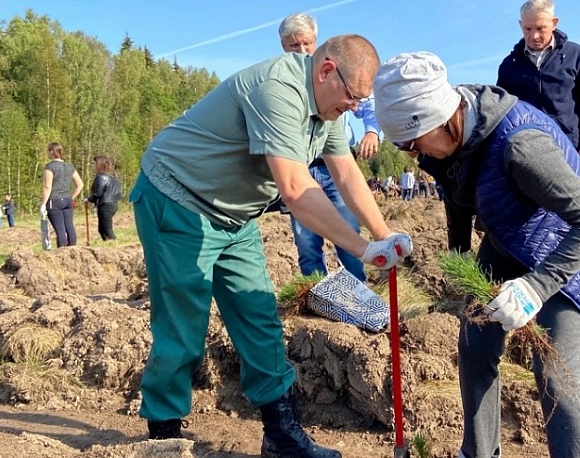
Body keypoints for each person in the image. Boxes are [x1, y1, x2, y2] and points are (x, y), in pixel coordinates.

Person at [128, 34, 411, 458]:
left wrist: (383, 233)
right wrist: (360, 247)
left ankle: (281, 436)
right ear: (327, 70)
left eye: (360, 101)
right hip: (178, 198)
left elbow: (347, 174)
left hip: (234, 215)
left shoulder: (329, 107)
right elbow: (297, 190)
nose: (355, 108)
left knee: (259, 318)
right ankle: (164, 435)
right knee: (183, 321)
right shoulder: (278, 90)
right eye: (353, 97)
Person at [375, 51, 580, 458]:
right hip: (511, 231)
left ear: (437, 117)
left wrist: (536, 286)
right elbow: (457, 200)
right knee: (475, 345)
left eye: (411, 142)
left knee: (556, 369)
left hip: (572, 239)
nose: (412, 155)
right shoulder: (449, 143)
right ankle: (478, 452)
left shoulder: (520, 145)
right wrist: (458, 267)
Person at [278, 13, 382, 282]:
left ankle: (358, 295)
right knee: (306, 243)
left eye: (306, 44)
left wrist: (372, 131)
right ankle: (318, 296)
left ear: (316, 44)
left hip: (336, 168)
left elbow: (367, 106)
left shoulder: (339, 75)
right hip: (300, 169)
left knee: (349, 233)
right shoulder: (283, 86)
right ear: (283, 47)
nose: (301, 51)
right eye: (293, 46)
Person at [497, 0, 580, 169]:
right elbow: (500, 112)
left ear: (554, 23)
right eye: (527, 29)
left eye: (540, 28)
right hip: (525, 154)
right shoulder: (509, 65)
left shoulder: (575, 55)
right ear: (520, 25)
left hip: (569, 150)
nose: (534, 36)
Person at [41, 142, 84, 248]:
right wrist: (71, 197)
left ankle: (61, 254)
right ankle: (73, 251)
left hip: (54, 201)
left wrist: (43, 204)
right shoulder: (69, 166)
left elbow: (48, 186)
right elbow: (80, 184)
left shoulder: (50, 166)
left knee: (60, 230)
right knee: (69, 227)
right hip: (67, 200)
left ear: (51, 151)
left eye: (48, 151)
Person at [85, 156, 122, 241]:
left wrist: (89, 199)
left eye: (94, 164)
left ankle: (114, 246)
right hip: (113, 204)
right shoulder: (114, 178)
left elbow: (98, 193)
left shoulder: (101, 177)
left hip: (105, 205)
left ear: (99, 164)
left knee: (107, 230)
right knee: (102, 229)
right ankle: (107, 245)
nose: (92, 166)